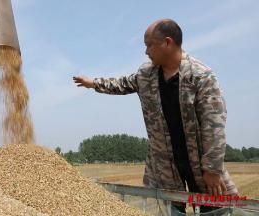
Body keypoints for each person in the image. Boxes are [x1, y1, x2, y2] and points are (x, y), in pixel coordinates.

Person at [73, 19, 238, 214]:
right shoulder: (146, 75)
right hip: (165, 164)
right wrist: (93, 83)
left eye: (149, 44)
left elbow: (214, 126)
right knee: (171, 207)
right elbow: (121, 83)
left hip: (199, 164)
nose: (146, 51)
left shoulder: (201, 76)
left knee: (211, 207)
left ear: (167, 42)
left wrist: (212, 169)